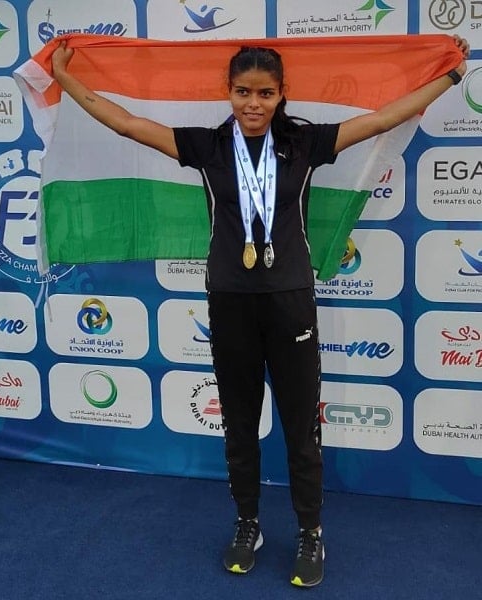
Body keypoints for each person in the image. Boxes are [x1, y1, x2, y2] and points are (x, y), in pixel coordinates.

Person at [51, 34, 469, 587]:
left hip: (289, 301)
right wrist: (66, 78)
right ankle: (248, 523)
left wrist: (450, 77)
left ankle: (311, 531)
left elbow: (382, 119)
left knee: (301, 428)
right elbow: (126, 123)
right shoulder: (207, 146)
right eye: (243, 92)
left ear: (280, 94)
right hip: (229, 301)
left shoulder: (305, 142)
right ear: (228, 92)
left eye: (265, 93)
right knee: (240, 424)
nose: (253, 103)